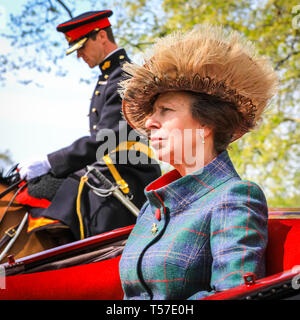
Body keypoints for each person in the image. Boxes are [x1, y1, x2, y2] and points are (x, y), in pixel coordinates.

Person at [118, 24, 278, 299]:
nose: (149, 122)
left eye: (165, 111)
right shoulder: (151, 207)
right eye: (153, 113)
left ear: (206, 124)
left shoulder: (235, 197)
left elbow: (233, 295)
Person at [17, 10, 161, 240]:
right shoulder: (109, 76)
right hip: (109, 167)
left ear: (101, 36)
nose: (79, 55)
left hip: (126, 173)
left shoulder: (125, 76)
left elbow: (108, 138)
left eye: (82, 47)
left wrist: (49, 161)